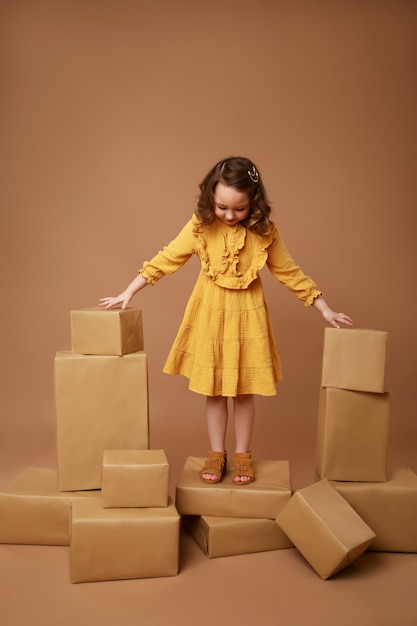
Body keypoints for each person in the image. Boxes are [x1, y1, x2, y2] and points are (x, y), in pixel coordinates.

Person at [99, 156, 353, 485]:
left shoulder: (265, 233)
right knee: (215, 392)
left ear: (254, 202)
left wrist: (324, 308)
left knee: (244, 392)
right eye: (222, 207)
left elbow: (289, 272)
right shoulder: (200, 227)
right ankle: (217, 453)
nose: (230, 216)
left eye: (239, 209)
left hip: (248, 317)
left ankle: (243, 455)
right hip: (210, 314)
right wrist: (129, 291)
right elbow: (167, 257)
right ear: (210, 199)